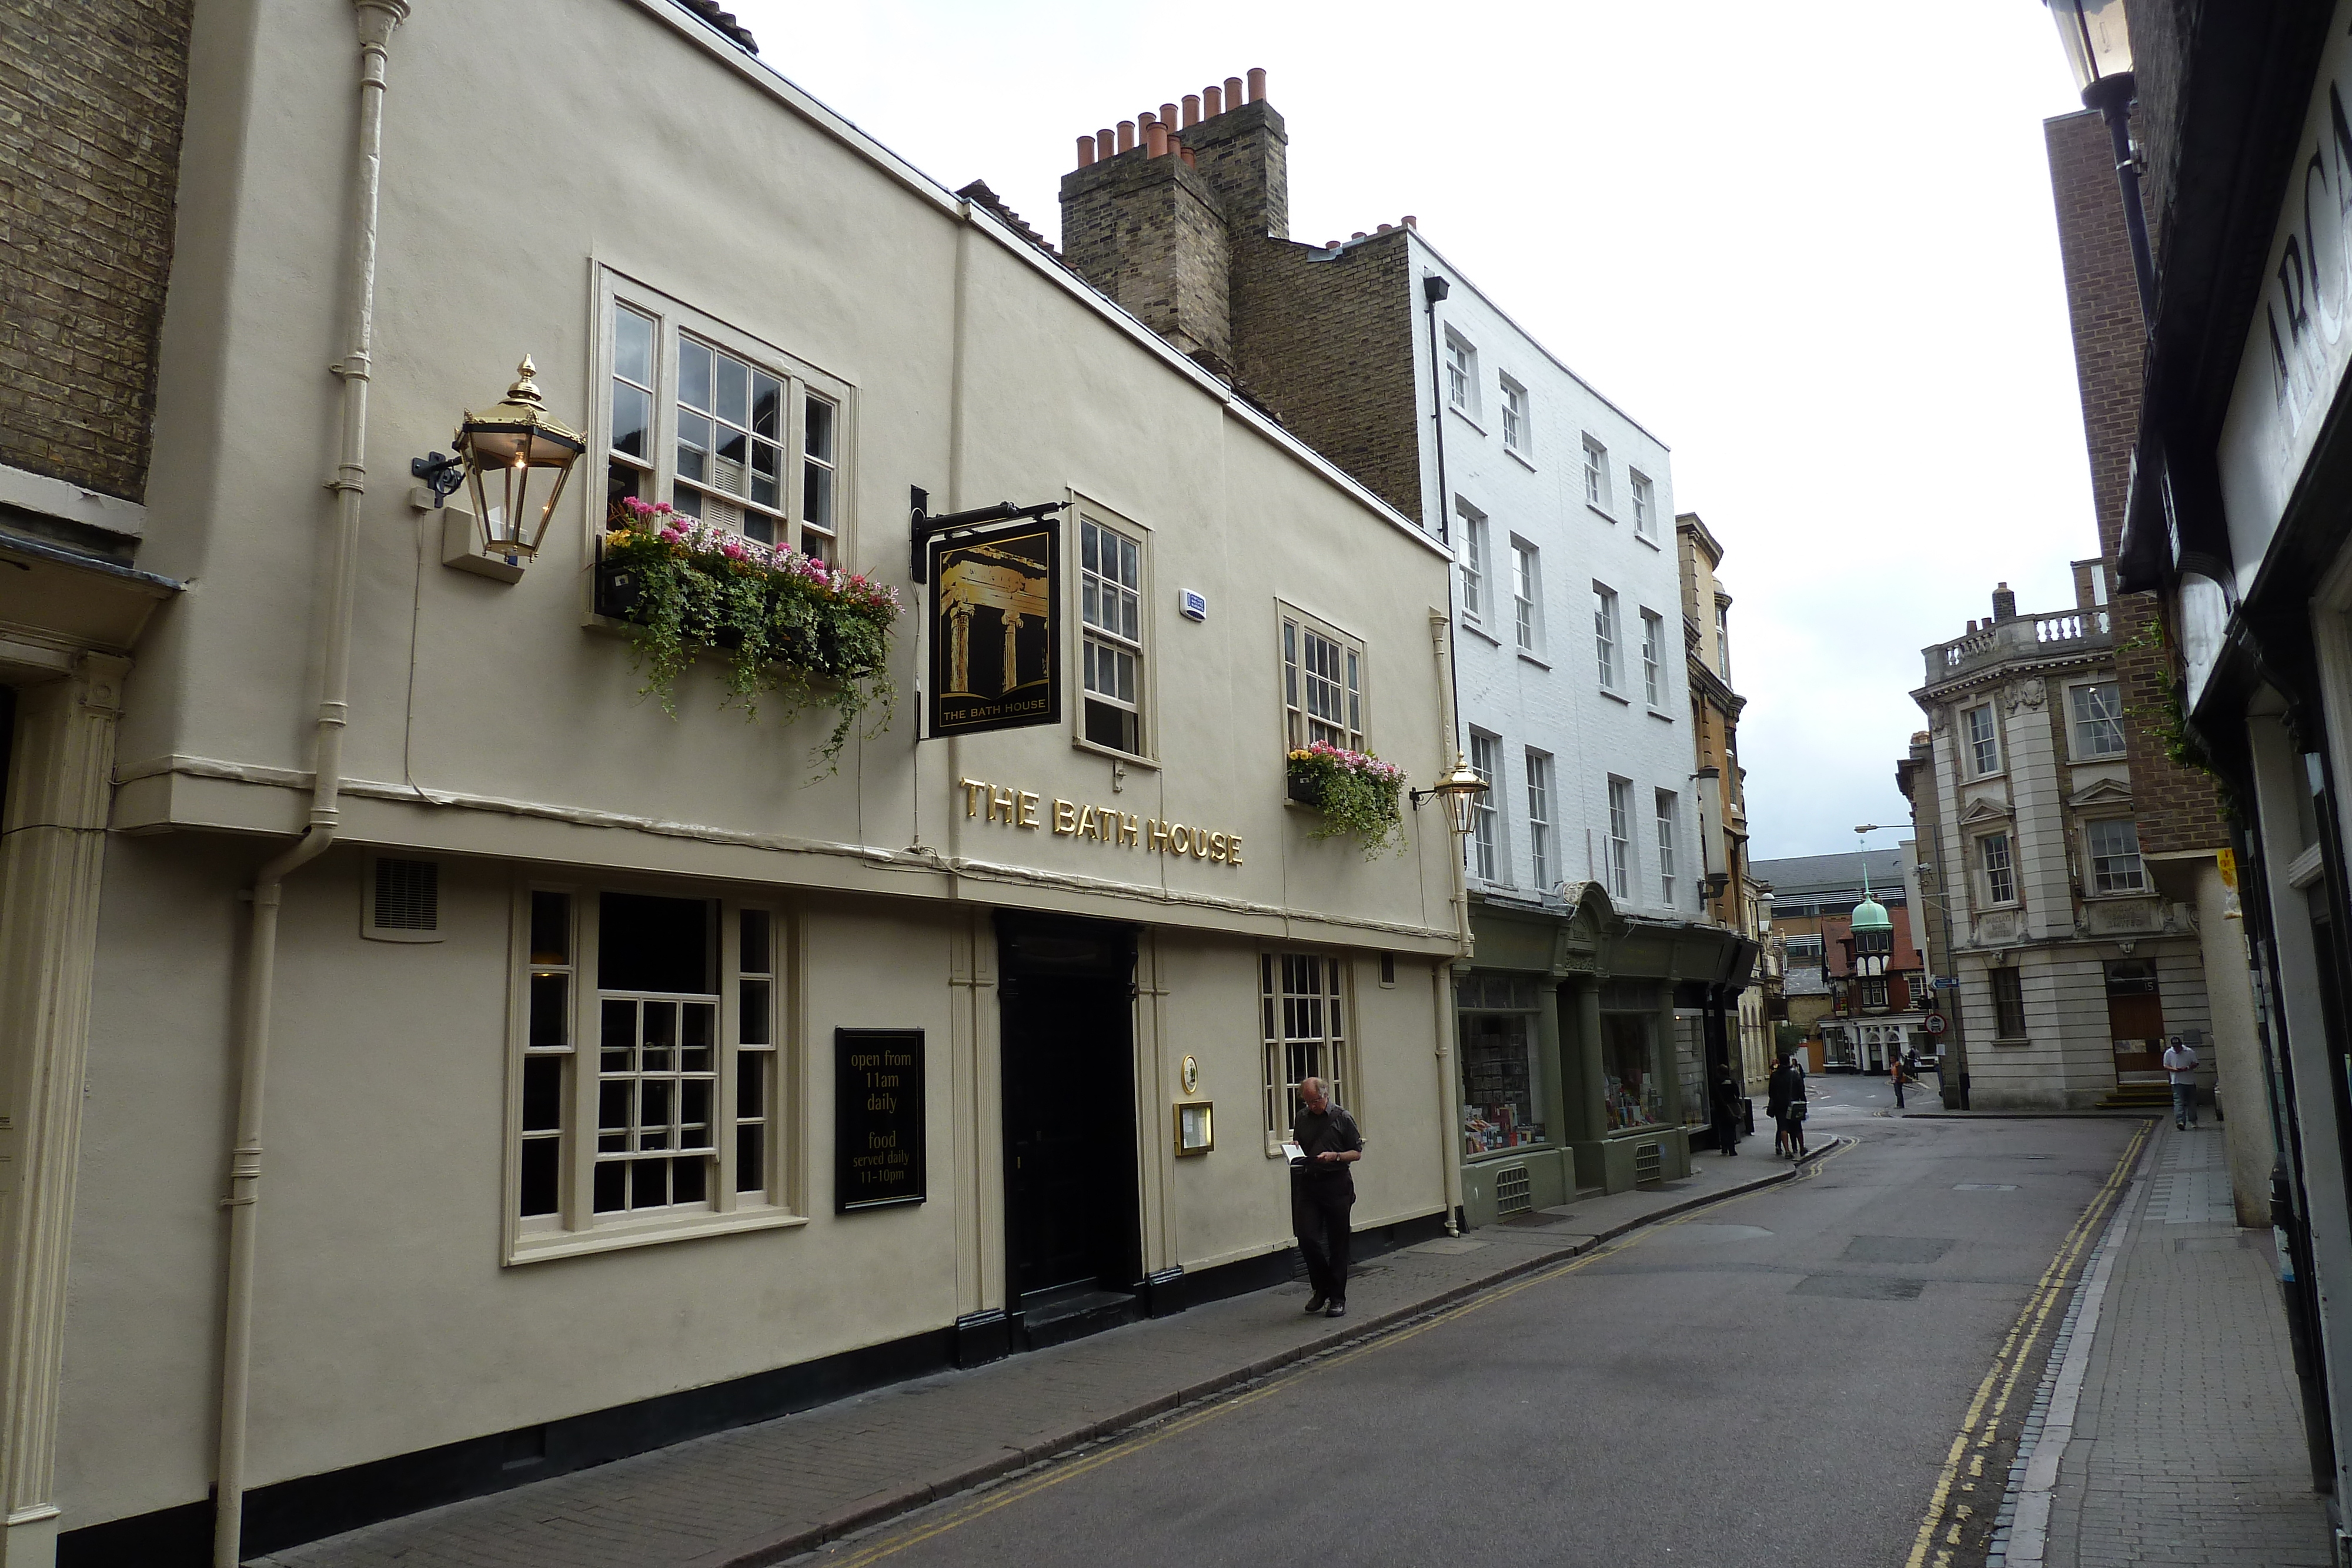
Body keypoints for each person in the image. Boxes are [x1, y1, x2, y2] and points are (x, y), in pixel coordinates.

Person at [1291, 1076, 1364, 1318]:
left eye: (1314, 1101)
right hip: (1309, 1185)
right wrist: (1294, 1148)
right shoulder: (1301, 1117)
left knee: (1338, 1244)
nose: (1311, 1106)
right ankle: (1322, 1287)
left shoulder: (1343, 1118)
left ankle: (1337, 1298)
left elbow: (1357, 1152)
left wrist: (1336, 1157)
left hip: (1336, 1185)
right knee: (1306, 1237)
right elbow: (1300, 1142)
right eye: (1307, 1101)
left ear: (1325, 1096)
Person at [2163, 1037, 2201, 1129]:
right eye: (2175, 1047)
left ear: (2181, 1045)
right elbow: (2166, 1066)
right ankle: (2180, 1122)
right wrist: (2175, 1070)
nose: (2177, 1049)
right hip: (2176, 1082)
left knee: (2191, 1103)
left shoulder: (2189, 1051)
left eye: (2178, 1047)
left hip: (2189, 1081)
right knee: (2178, 1102)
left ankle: (2193, 1121)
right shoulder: (2169, 1053)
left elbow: (2196, 1063)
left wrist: (2187, 1068)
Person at [1778, 1053, 1810, 1158]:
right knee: (1797, 1128)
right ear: (1788, 1061)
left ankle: (1787, 1151)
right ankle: (1801, 1148)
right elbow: (1801, 1090)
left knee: (1783, 1128)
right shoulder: (1795, 1074)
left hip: (1781, 1106)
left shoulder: (1775, 1075)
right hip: (1794, 1105)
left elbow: (1771, 1092)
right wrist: (1804, 1103)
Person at [1710, 1068, 1743, 1156]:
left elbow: (1713, 1096)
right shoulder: (1731, 1081)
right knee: (1731, 1128)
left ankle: (1724, 1148)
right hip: (1731, 1106)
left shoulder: (1716, 1082)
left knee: (1723, 1128)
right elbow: (1737, 1093)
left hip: (1720, 1107)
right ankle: (1732, 1149)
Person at [1766, 1054, 1793, 1157]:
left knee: (1781, 1126)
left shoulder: (1775, 1075)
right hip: (1791, 1104)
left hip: (1778, 1105)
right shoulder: (1792, 1074)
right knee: (1792, 1127)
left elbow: (1770, 1092)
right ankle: (1793, 1149)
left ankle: (1780, 1147)